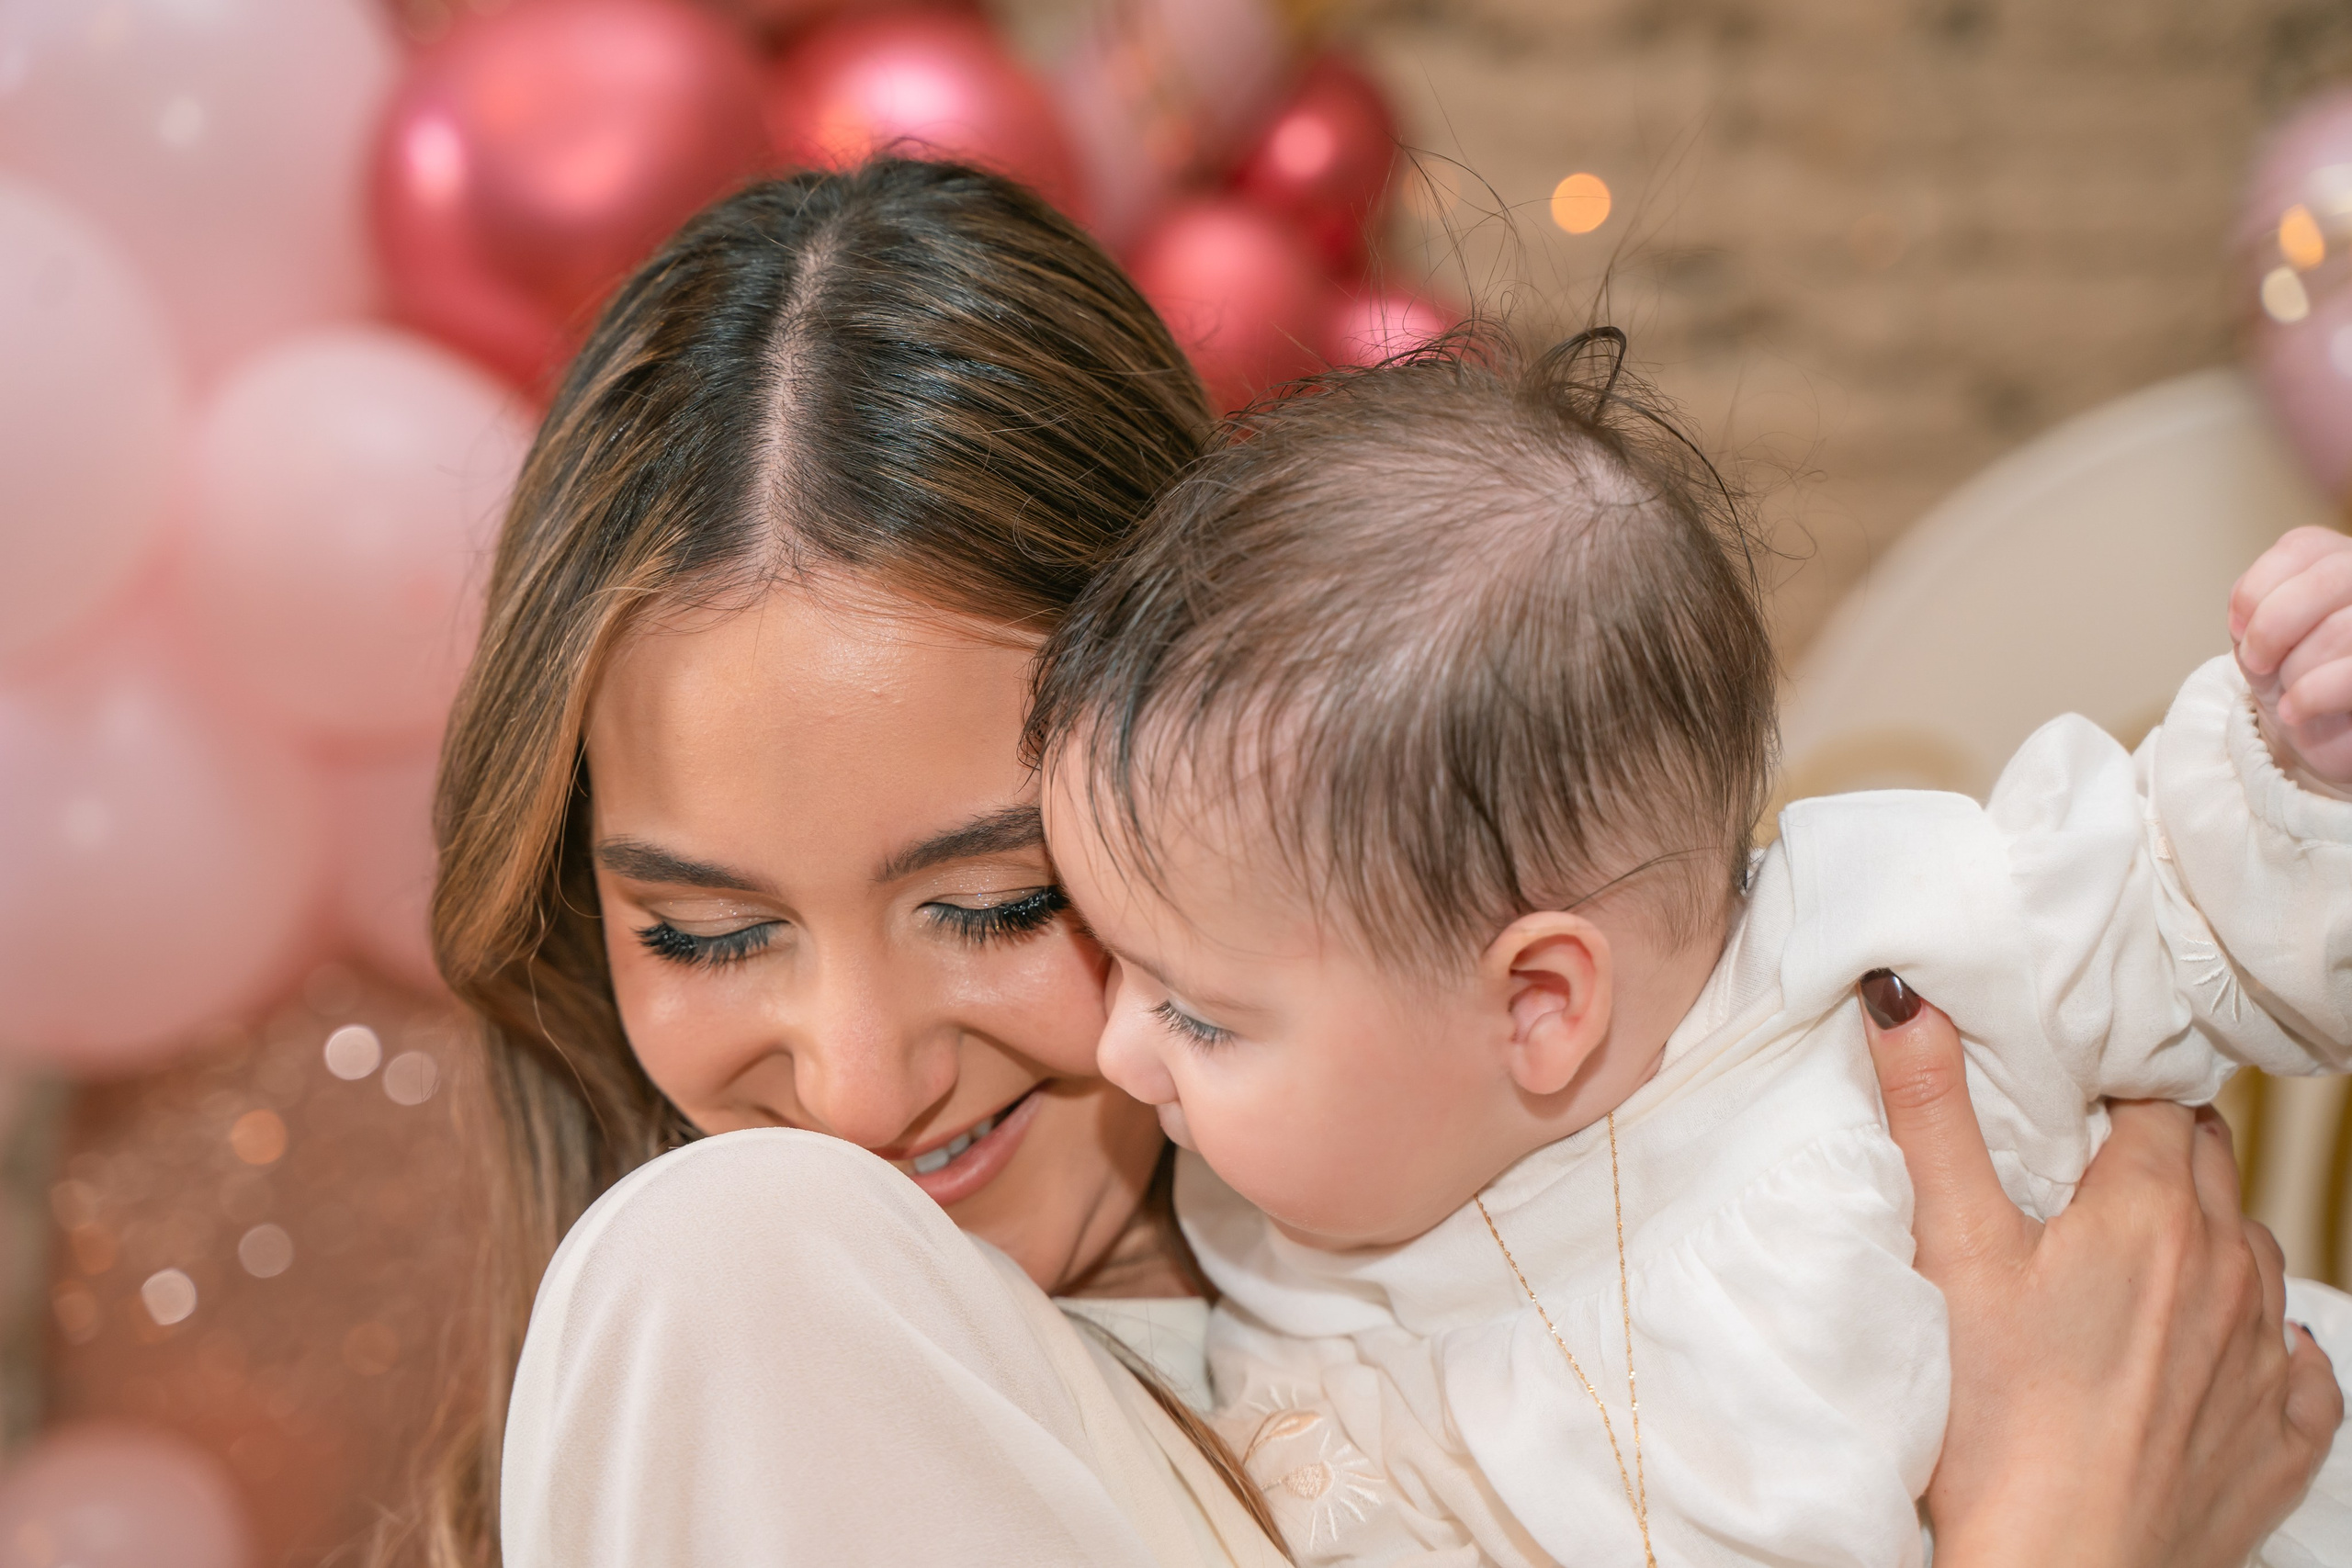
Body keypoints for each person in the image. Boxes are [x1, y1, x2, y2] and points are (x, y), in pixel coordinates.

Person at [409, 162, 2337, 1567]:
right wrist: (2064, 1523)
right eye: (702, 927)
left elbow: (2164, 887)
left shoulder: (1739, 1026)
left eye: (1001, 900)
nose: (847, 1080)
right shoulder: (735, 1308)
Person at [1026, 332, 2352, 1564]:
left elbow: (2180, 896)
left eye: (1194, 1013)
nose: (1116, 1049)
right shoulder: (1294, 1300)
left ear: (1542, 1004)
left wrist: (2293, 753)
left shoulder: (1882, 953)